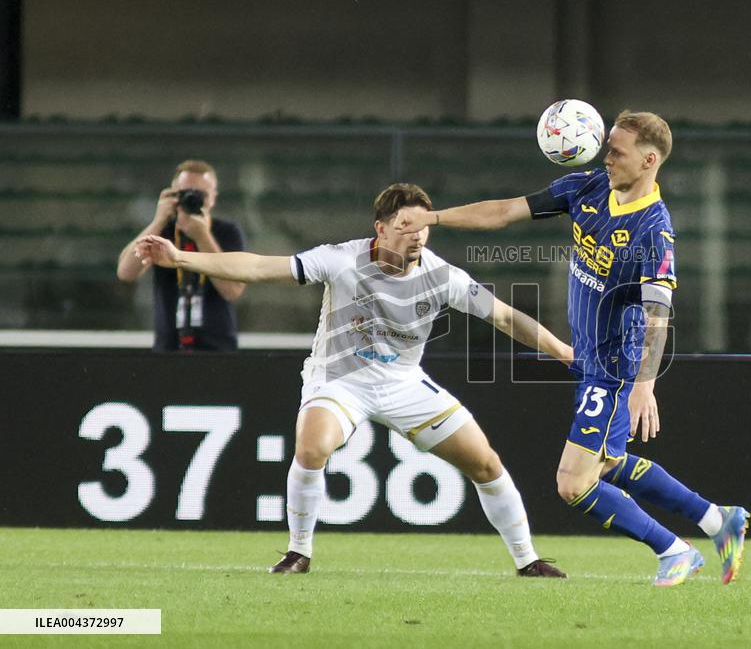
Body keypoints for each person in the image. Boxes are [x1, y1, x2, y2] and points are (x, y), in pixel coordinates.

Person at [136, 183, 572, 578]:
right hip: (341, 380)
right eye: (406, 225)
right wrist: (180, 257)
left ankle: (528, 560)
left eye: (423, 225)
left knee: (485, 464)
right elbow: (258, 267)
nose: (417, 234)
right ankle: (298, 552)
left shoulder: (443, 277)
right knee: (312, 446)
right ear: (380, 229)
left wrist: (564, 352)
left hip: (404, 383)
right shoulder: (341, 260)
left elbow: (506, 317)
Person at [395, 111, 750, 587]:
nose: (607, 158)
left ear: (649, 160)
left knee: (573, 483)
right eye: (607, 148)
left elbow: (658, 313)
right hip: (589, 360)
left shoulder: (653, 229)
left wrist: (644, 383)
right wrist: (434, 217)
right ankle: (715, 520)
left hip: (613, 367)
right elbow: (504, 211)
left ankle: (675, 550)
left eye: (617, 152)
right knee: (609, 460)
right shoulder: (585, 188)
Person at [117, 159, 246, 351]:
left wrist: (202, 236)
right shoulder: (163, 232)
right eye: (185, 193)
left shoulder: (226, 232)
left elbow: (233, 290)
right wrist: (159, 220)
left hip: (218, 349)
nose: (192, 199)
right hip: (169, 347)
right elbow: (126, 272)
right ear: (171, 194)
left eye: (200, 194)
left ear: (213, 197)